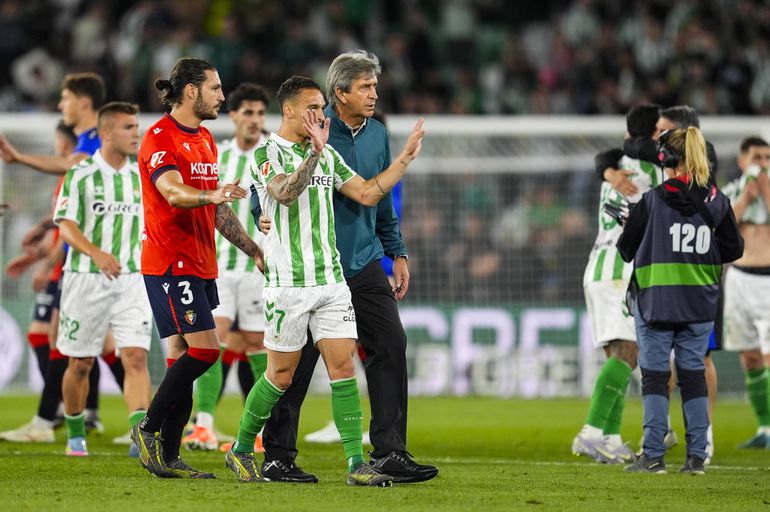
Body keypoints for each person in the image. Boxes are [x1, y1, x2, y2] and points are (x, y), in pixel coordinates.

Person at [223, 75, 424, 487]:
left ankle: (356, 464)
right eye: (312, 108)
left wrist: (403, 160)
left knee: (343, 368)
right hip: (289, 284)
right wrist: (314, 154)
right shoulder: (266, 153)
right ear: (289, 110)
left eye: (321, 107)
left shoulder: (327, 153)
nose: (320, 115)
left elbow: (366, 193)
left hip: (331, 281)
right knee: (280, 376)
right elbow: (284, 193)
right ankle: (242, 448)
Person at [130, 57, 263, 479]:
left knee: (181, 357)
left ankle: (170, 456)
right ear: (191, 91)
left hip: (201, 263)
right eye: (215, 88)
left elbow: (216, 209)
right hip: (171, 263)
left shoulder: (204, 138)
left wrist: (253, 249)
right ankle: (146, 428)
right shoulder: (159, 138)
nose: (222, 96)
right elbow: (172, 192)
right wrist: (210, 195)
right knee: (206, 351)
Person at [0, 73, 124, 443]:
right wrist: (44, 229)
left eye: (65, 98)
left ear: (84, 102)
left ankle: (50, 419)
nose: (60, 105)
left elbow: (73, 168)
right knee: (83, 344)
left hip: (89, 262)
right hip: (79, 260)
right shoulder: (88, 142)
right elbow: (69, 205)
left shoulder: (96, 142)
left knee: (65, 340)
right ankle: (92, 414)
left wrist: (19, 157)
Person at [597, 104, 720, 461]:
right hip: (667, 271)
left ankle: (703, 435)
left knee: (698, 358)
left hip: (695, 273)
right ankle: (662, 435)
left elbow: (631, 145)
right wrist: (608, 168)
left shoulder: (703, 157)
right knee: (657, 358)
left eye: (664, 131)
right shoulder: (665, 168)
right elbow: (613, 152)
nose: (658, 138)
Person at [620, 127, 743, 474]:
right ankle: (696, 458)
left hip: (656, 304)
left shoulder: (651, 201)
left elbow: (626, 250)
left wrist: (634, 225)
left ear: (666, 159)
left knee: (656, 377)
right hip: (699, 306)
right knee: (693, 377)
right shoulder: (718, 201)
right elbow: (734, 249)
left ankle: (653, 455)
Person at [53, 102, 152, 457]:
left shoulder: (141, 176)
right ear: (106, 133)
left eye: (136, 127)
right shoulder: (81, 174)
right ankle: (75, 435)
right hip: (86, 278)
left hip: (132, 279)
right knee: (80, 363)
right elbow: (65, 225)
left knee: (135, 358)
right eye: (128, 127)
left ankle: (140, 436)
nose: (136, 133)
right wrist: (95, 252)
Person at [183, 82, 270, 452]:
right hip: (219, 265)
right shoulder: (216, 155)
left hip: (259, 269)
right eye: (248, 112)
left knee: (256, 344)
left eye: (261, 113)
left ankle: (261, 432)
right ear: (233, 115)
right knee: (212, 339)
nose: (255, 119)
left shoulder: (273, 154)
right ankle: (203, 425)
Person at [572, 104, 661, 464]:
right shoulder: (653, 169)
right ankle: (591, 432)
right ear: (653, 134)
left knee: (618, 355)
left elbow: (606, 157)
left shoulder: (615, 168)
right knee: (629, 352)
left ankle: (609, 437)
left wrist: (608, 168)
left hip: (598, 267)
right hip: (619, 271)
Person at [721, 136, 770, 448]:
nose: (763, 163)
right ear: (742, 161)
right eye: (757, 157)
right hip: (739, 279)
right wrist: (745, 200)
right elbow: (722, 229)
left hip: (768, 281)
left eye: (767, 158)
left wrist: (765, 191)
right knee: (750, 357)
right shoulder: (731, 192)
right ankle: (765, 427)